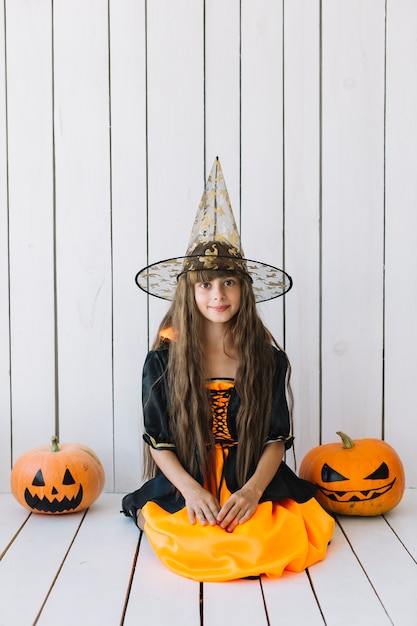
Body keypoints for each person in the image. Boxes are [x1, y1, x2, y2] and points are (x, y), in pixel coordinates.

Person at [122, 158, 334, 582]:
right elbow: (158, 442)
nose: (217, 295)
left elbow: (277, 438)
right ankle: (167, 511)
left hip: (250, 477)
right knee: (196, 542)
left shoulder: (266, 358)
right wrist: (192, 490)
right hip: (190, 480)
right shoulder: (163, 360)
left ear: (244, 289)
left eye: (229, 282)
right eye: (205, 284)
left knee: (270, 539)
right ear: (189, 291)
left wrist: (253, 490)